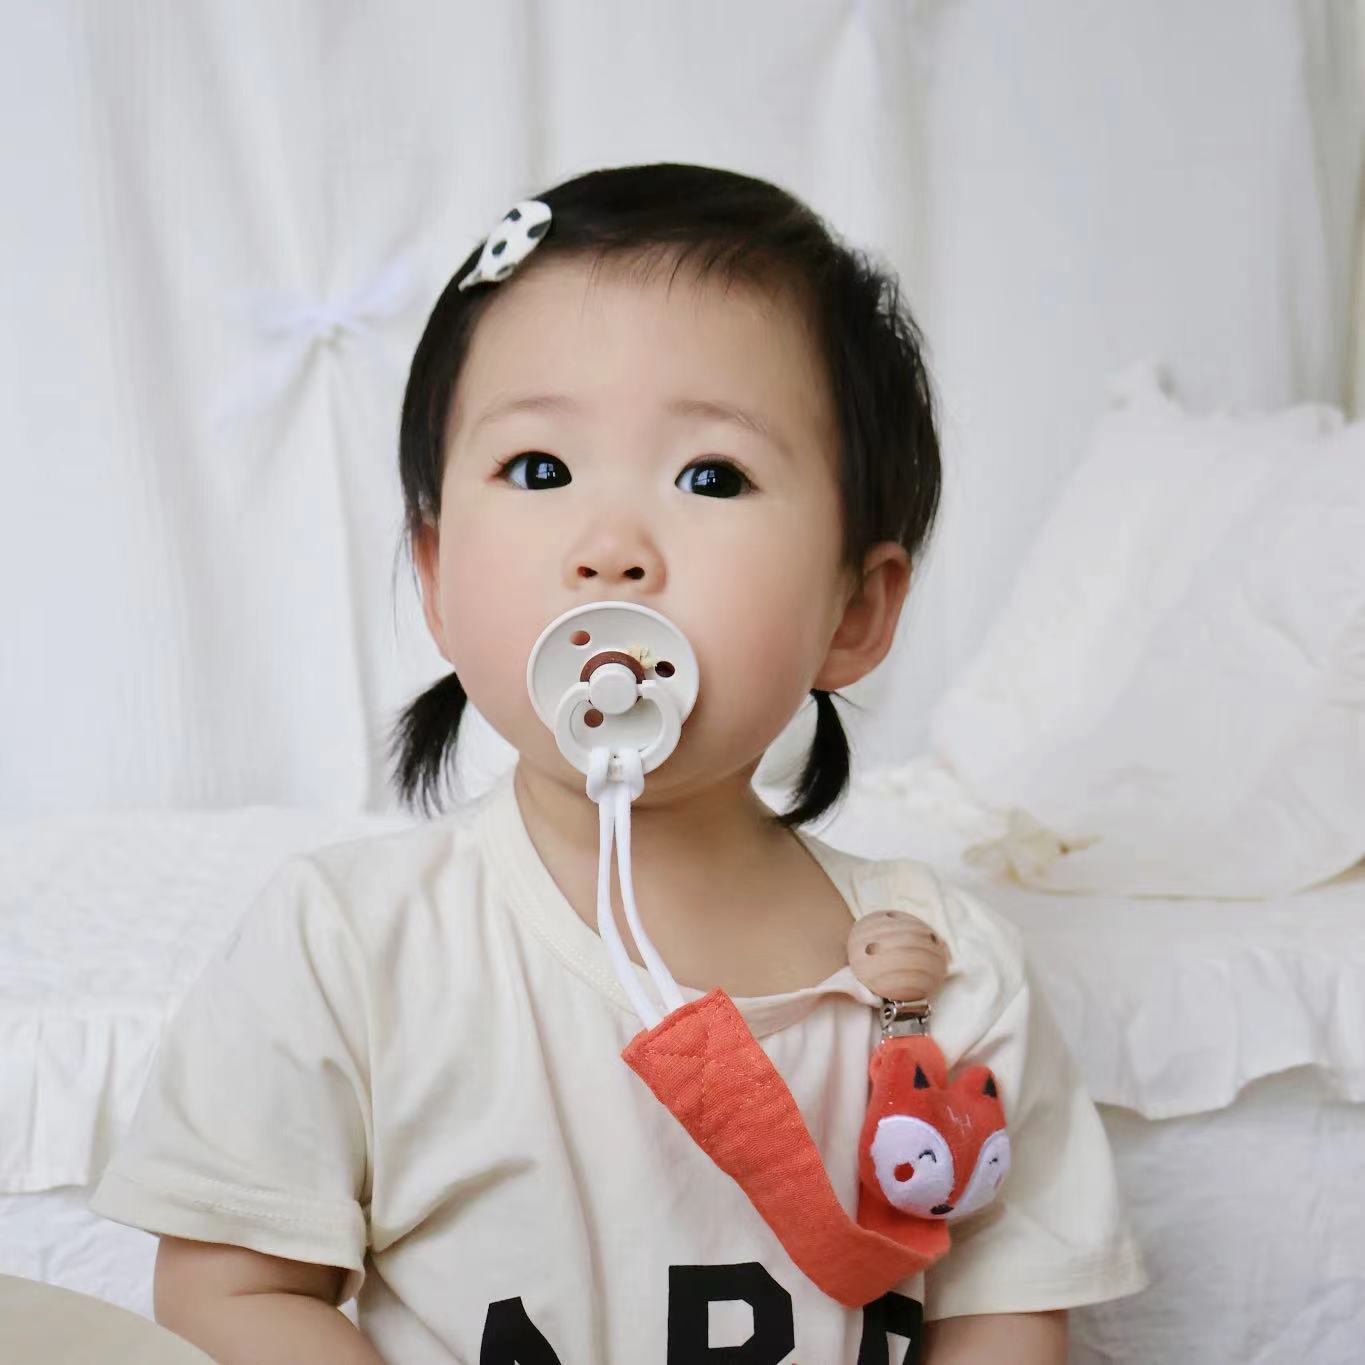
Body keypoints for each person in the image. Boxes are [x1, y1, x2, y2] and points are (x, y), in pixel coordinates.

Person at [89, 162, 1147, 1363]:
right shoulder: (351, 945)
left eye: (712, 477)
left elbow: (1005, 1315)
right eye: (539, 470)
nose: (611, 550)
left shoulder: (949, 973)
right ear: (435, 581)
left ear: (855, 610)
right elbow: (228, 1290)